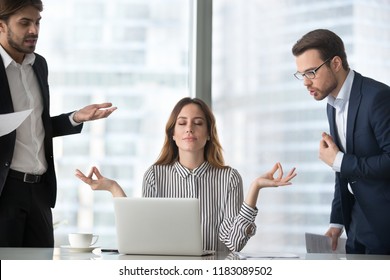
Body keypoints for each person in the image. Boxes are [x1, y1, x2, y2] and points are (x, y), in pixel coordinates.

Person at [76, 97, 297, 252]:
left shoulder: (229, 178)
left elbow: (233, 242)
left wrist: (255, 187)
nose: (189, 129)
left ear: (209, 134)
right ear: (173, 134)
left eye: (198, 123)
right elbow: (145, 235)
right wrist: (114, 188)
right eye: (182, 123)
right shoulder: (155, 175)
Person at [0, 0, 117, 247]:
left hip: (40, 193)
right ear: (1, 26)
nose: (34, 30)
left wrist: (75, 118)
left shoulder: (39, 65)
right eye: (25, 23)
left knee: (41, 269)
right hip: (4, 192)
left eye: (37, 22)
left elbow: (34, 126)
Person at [292, 29, 390, 254]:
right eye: (301, 75)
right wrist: (337, 221)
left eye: (311, 72)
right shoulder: (332, 104)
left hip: (385, 228)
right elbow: (342, 169)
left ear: (335, 63)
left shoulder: (378, 98)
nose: (306, 83)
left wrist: (340, 161)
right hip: (356, 227)